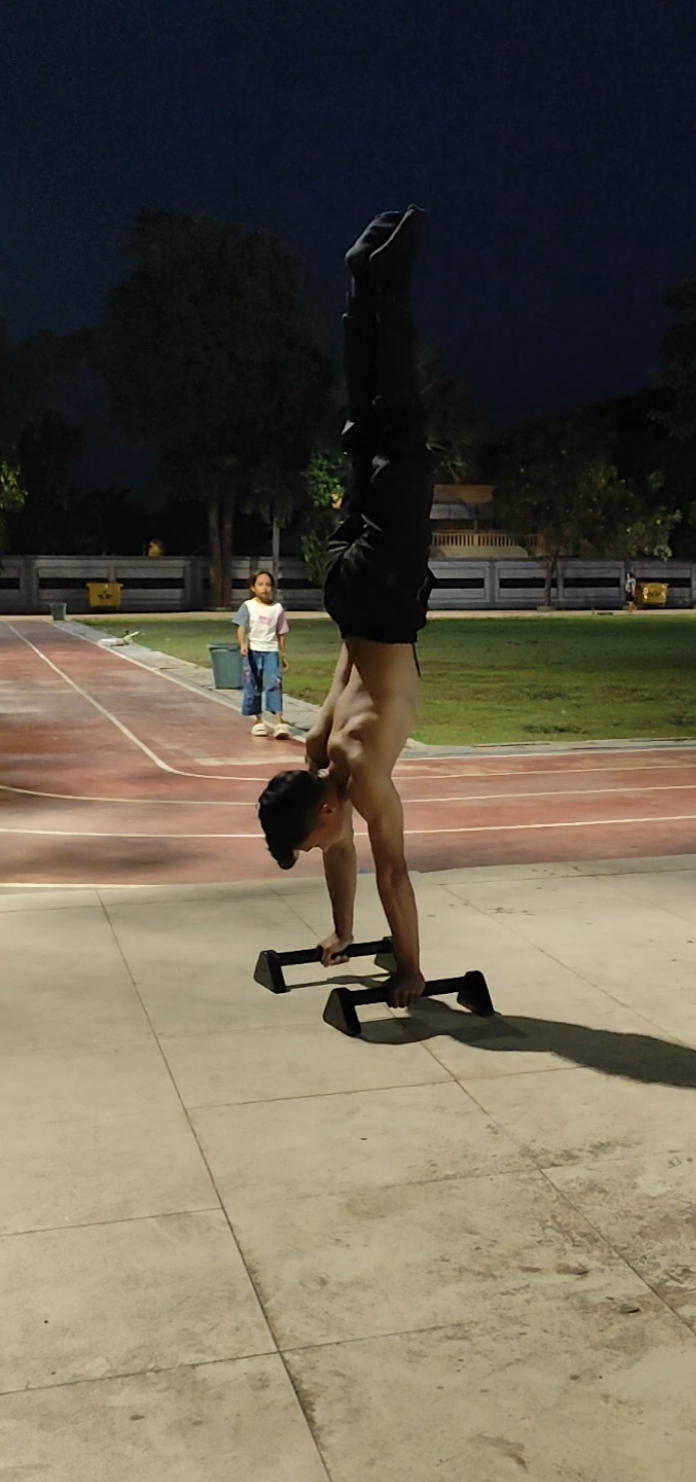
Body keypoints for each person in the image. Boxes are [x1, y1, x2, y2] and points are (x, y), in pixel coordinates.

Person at [256, 206, 435, 1009]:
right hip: (348, 595)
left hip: (386, 596)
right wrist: (340, 928)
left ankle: (380, 279)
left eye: (321, 829)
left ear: (325, 807)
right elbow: (339, 850)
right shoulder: (315, 756)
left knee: (396, 419)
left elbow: (390, 868)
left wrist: (410, 968)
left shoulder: (353, 766)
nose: (331, 839)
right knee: (365, 429)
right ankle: (361, 284)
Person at [236, 570, 291, 739]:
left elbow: (281, 632)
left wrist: (283, 655)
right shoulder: (248, 606)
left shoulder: (277, 609)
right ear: (253, 587)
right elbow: (241, 627)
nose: (264, 588)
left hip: (271, 651)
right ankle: (258, 721)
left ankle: (278, 721)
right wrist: (243, 644)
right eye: (260, 584)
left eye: (268, 584)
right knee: (253, 684)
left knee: (274, 683)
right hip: (253, 651)